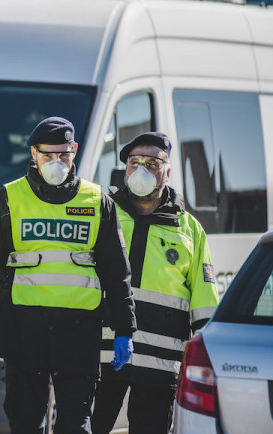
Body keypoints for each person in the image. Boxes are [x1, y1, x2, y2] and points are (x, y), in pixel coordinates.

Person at [0, 117, 137, 434]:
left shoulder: (97, 202)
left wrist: (124, 328)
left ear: (74, 150)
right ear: (33, 154)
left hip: (79, 331)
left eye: (63, 154)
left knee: (76, 425)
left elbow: (116, 271)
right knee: (25, 422)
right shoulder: (8, 199)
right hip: (23, 328)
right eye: (48, 155)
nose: (56, 162)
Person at [91, 132, 219, 434]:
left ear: (168, 171)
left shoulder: (189, 229)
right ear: (125, 169)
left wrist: (206, 354)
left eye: (152, 163)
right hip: (103, 355)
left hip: (160, 364)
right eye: (135, 163)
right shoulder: (104, 213)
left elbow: (204, 298)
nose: (142, 170)